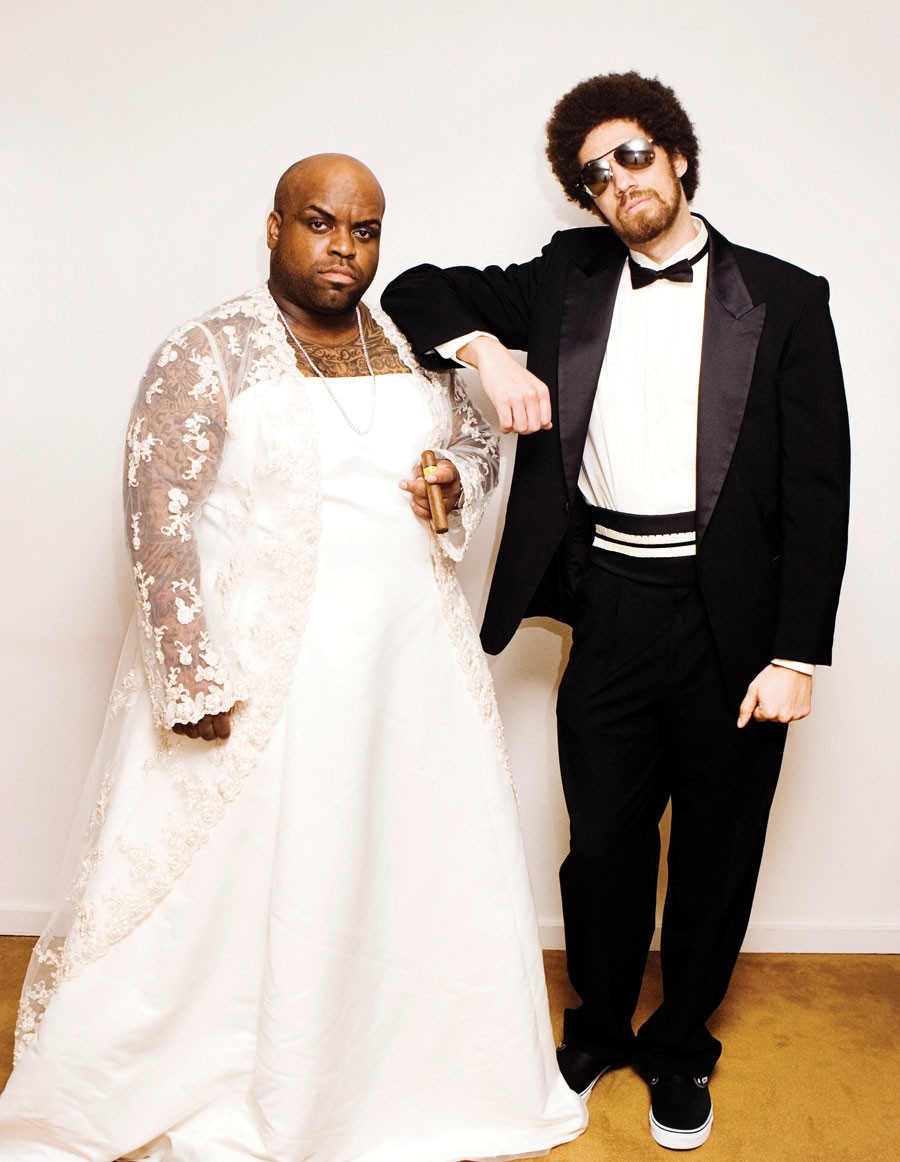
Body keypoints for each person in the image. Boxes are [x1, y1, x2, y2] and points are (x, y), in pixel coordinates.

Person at [0, 154, 587, 1161]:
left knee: (404, 864)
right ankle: (236, 1072)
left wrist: (454, 475)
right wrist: (189, 670)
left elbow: (477, 447)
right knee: (239, 881)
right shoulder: (209, 349)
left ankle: (387, 1075)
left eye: (364, 231)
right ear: (274, 227)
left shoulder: (409, 345)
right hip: (268, 670)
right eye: (320, 223)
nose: (343, 249)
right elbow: (157, 512)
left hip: (406, 665)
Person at [382, 72, 850, 1151]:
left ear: (677, 157)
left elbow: (819, 489)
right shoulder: (567, 275)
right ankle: (597, 1025)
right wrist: (488, 353)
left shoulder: (786, 297)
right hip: (612, 605)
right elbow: (414, 289)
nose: (618, 181)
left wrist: (796, 655)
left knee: (718, 847)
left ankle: (680, 1046)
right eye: (594, 174)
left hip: (735, 623)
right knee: (601, 844)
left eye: (633, 155)